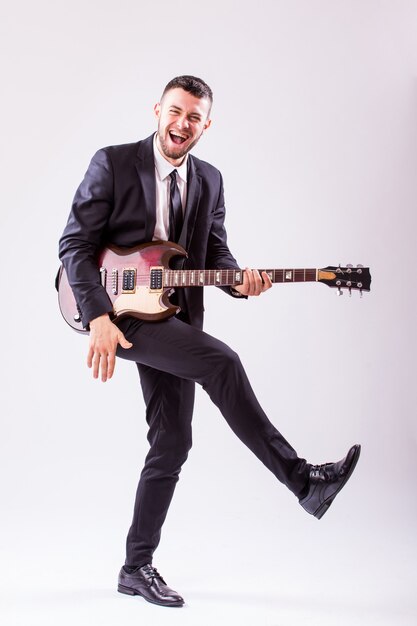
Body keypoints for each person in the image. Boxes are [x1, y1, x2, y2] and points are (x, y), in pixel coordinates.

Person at [58, 75, 361, 608]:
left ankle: (135, 567)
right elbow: (74, 245)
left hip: (172, 315)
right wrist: (99, 315)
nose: (182, 124)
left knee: (173, 442)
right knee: (223, 363)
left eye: (194, 117)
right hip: (117, 312)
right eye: (175, 111)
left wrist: (240, 279)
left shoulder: (211, 181)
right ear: (157, 110)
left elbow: (214, 254)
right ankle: (302, 480)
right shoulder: (112, 161)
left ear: (206, 125)